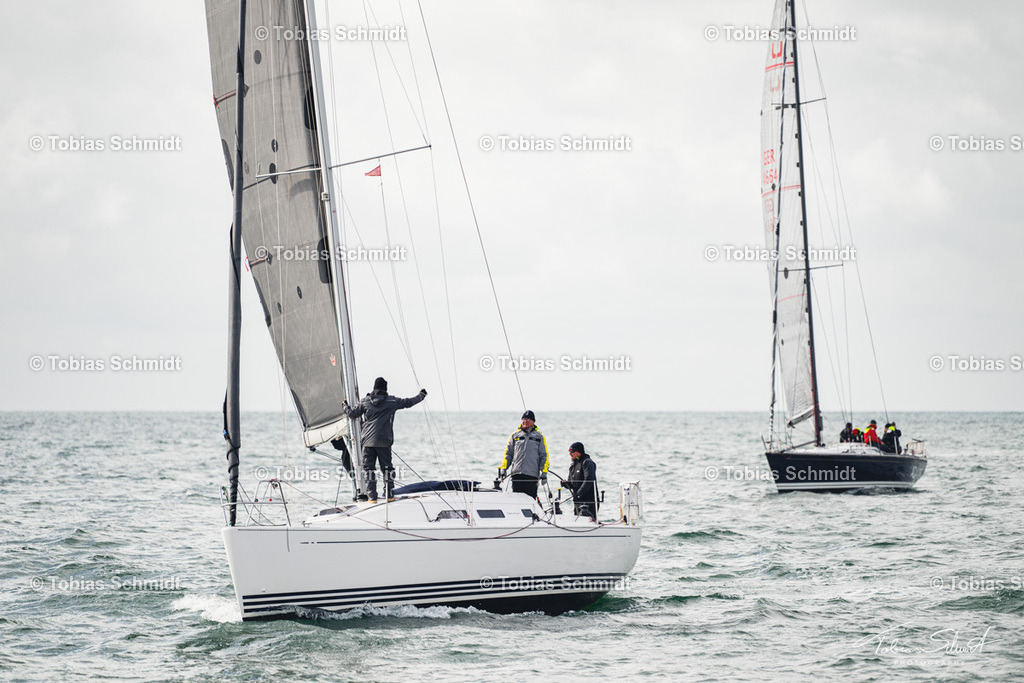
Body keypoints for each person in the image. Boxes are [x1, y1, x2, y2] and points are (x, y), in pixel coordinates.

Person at [343, 377, 427, 503]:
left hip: (368, 441)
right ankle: (389, 494)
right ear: (385, 389)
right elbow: (409, 402)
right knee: (387, 468)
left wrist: (345, 407)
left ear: (374, 388)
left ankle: (372, 498)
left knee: (368, 469)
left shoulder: (365, 402)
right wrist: (422, 395)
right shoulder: (392, 401)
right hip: (384, 441)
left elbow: (351, 414)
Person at [497, 410, 550, 499]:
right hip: (516, 474)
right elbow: (508, 454)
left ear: (533, 421)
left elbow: (544, 455)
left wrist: (544, 473)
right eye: (524, 419)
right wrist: (504, 469)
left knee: (531, 500)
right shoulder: (514, 435)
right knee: (517, 501)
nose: (525, 421)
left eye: (528, 419)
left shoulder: (539, 437)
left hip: (531, 475)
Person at [561, 442, 599, 521]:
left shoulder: (587, 462)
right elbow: (572, 484)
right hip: (578, 502)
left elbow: (589, 480)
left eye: (571, 452)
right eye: (569, 452)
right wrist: (565, 484)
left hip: (589, 502)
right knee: (578, 522)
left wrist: (578, 494)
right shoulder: (572, 466)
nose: (570, 454)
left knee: (588, 523)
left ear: (578, 452)